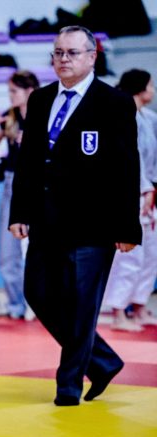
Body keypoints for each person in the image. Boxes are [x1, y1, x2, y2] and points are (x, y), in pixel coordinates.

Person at [9, 26, 141, 406]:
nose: (63, 59)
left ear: (92, 56)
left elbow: (126, 168)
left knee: (83, 304)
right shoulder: (40, 99)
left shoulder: (114, 102)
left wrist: (127, 227)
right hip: (46, 220)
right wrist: (20, 211)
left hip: (95, 224)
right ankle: (103, 361)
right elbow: (28, 162)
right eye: (58, 52)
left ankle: (68, 386)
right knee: (37, 292)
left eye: (72, 52)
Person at [102, 69, 157, 332]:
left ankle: (139, 306)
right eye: (151, 85)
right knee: (130, 256)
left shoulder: (148, 117)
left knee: (150, 255)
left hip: (150, 191)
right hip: (130, 191)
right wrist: (144, 189)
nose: (153, 90)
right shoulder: (121, 116)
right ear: (140, 88)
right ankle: (118, 311)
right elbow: (130, 158)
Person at [0, 70, 40, 320]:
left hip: (41, 184)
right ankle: (17, 304)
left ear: (29, 90)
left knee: (42, 249)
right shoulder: (9, 117)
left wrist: (34, 140)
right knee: (8, 252)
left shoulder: (47, 114)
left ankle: (42, 304)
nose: (10, 96)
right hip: (12, 181)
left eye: (14, 91)